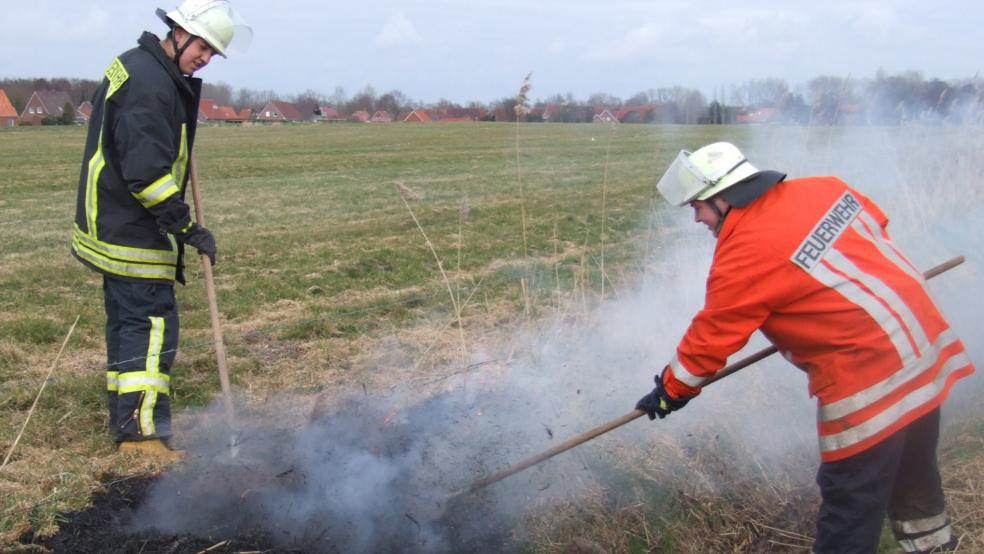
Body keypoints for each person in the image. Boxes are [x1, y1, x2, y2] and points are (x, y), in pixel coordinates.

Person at [635, 142, 974, 553]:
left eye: (699, 205)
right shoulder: (825, 188)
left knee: (849, 506)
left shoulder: (745, 249)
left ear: (725, 196)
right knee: (914, 473)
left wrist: (670, 391)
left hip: (867, 378)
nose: (696, 217)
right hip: (923, 348)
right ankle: (935, 546)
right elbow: (877, 226)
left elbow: (712, 337)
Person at [71, 0, 250, 462]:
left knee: (129, 326)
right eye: (203, 48)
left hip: (111, 220)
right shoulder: (152, 85)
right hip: (132, 228)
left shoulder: (138, 65)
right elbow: (147, 174)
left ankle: (127, 420)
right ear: (179, 32)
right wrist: (186, 227)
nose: (204, 59)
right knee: (151, 327)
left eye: (212, 54)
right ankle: (142, 440)